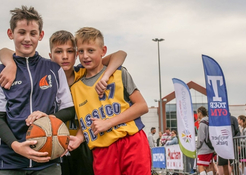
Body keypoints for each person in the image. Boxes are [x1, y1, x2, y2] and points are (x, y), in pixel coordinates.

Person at [0, 30, 127, 175]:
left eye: (70, 51)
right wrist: (10, 63)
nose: (65, 56)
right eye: (59, 52)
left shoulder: (84, 73)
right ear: (50, 56)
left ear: (76, 54)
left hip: (80, 142)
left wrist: (106, 76)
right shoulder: (45, 76)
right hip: (52, 145)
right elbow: (5, 51)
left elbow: (120, 54)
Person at [0, 6, 75, 174]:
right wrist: (16, 146)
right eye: (22, 32)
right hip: (11, 162)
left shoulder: (54, 69)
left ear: (40, 35)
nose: (27, 39)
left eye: (33, 33)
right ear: (10, 34)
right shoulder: (2, 72)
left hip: (48, 161)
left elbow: (69, 110)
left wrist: (49, 117)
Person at [68, 27, 151, 175]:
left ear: (103, 50)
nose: (85, 56)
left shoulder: (118, 73)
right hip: (102, 150)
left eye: (91, 50)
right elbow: (84, 123)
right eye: (81, 51)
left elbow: (142, 106)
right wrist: (79, 139)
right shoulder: (75, 88)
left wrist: (108, 123)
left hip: (131, 140)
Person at [196, 106, 215, 175]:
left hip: (203, 148)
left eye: (197, 113)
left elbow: (201, 138)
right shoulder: (211, 121)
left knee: (200, 167)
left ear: (200, 113)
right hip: (211, 147)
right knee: (209, 167)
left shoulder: (202, 123)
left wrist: (197, 146)